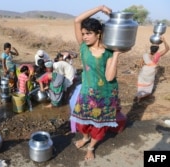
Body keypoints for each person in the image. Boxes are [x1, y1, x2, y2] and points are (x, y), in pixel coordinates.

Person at [70, 5, 124, 161]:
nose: (85, 36)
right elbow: (77, 20)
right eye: (83, 34)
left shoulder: (108, 52)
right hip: (87, 92)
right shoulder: (83, 47)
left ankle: (91, 147)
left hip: (106, 93)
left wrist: (116, 55)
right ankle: (85, 137)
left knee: (99, 125)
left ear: (99, 34)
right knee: (82, 122)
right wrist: (100, 8)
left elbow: (109, 77)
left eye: (88, 34)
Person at [135, 36, 169, 102]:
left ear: (150, 49)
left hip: (144, 71)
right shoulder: (157, 55)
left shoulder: (145, 55)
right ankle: (146, 94)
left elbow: (140, 64)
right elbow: (167, 48)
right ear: (157, 50)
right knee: (148, 84)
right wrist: (164, 40)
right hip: (151, 72)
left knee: (142, 83)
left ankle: (139, 97)